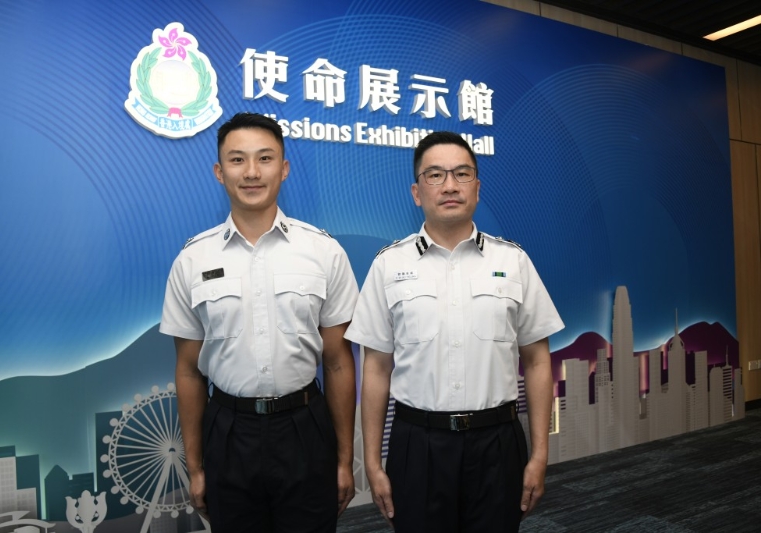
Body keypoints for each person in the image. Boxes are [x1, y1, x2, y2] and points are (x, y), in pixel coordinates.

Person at [345, 131, 564, 532]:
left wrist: (539, 456)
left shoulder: (513, 261)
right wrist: (373, 464)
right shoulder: (388, 266)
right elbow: (375, 368)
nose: (449, 186)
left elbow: (536, 361)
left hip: (497, 443)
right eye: (435, 175)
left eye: (462, 174)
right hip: (418, 446)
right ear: (417, 192)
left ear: (477, 188)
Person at [160, 112, 358, 532]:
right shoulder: (193, 259)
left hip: (305, 427)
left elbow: (339, 362)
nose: (251, 172)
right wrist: (195, 467)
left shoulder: (323, 252)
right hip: (229, 432)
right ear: (219, 172)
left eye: (265, 158)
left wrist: (344, 459)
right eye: (237, 160)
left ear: (283, 169)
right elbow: (189, 371)